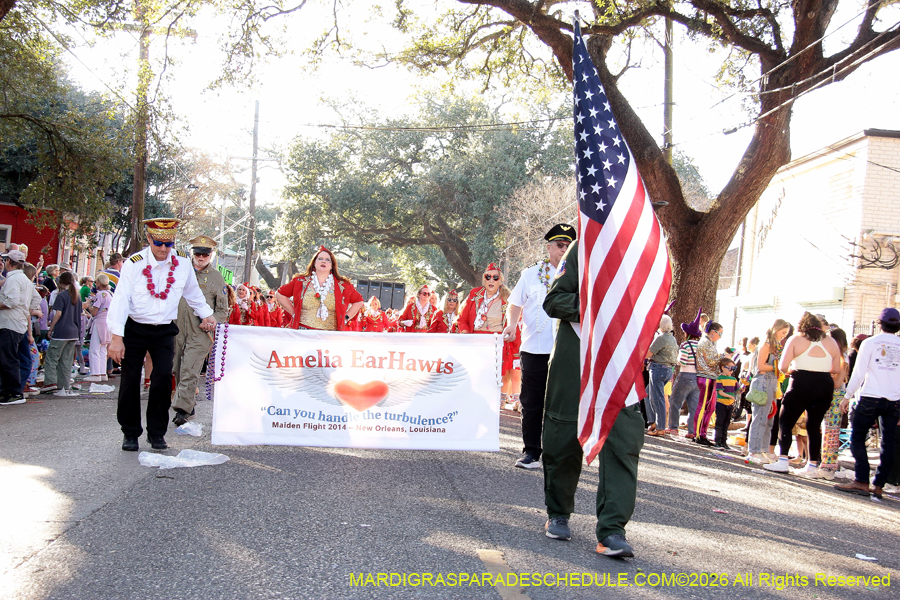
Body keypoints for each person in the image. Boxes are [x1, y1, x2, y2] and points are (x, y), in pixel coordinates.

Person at [540, 240, 643, 558]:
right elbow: (554, 301)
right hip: (576, 359)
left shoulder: (647, 252)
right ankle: (558, 511)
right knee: (564, 437)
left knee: (624, 442)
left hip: (621, 361)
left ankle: (612, 531)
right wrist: (598, 307)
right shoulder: (582, 249)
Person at [107, 218, 217, 452]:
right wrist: (116, 337)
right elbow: (120, 300)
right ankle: (130, 433)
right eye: (158, 243)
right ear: (149, 239)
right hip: (134, 327)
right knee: (129, 382)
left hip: (165, 329)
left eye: (169, 244)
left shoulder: (182, 263)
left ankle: (156, 433)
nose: (164, 249)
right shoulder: (134, 263)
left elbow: (193, 293)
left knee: (162, 380)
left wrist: (207, 315)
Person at [501, 224, 575, 469]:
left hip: (566, 351)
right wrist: (512, 325)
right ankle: (531, 452)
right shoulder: (531, 274)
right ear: (549, 247)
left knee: (561, 405)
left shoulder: (580, 275)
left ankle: (558, 455)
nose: (563, 250)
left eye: (568, 246)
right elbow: (515, 303)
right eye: (559, 245)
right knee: (531, 403)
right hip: (534, 349)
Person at [834, 308, 900, 499]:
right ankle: (879, 484)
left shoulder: (870, 343)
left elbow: (859, 373)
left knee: (857, 437)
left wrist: (847, 396)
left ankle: (862, 480)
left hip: (871, 396)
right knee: (889, 443)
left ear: (879, 324)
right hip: (894, 400)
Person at [764, 313, 840, 474]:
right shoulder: (831, 341)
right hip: (824, 384)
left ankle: (783, 460)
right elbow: (837, 369)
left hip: (801, 381)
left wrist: (794, 368)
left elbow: (783, 366)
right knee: (814, 425)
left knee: (786, 421)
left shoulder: (796, 339)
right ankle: (812, 465)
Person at [172, 235, 229, 426]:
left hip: (201, 332)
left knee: (190, 368)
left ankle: (182, 410)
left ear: (211, 255)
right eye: (197, 253)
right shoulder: (179, 271)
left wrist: (212, 321)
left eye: (205, 254)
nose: (201, 257)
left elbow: (222, 310)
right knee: (178, 368)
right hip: (176, 329)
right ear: (192, 253)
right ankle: (188, 402)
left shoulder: (216, 278)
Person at [274, 246, 364, 331]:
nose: (323, 261)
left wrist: (345, 318)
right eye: (320, 259)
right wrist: (294, 313)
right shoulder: (300, 281)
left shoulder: (343, 285)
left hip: (330, 335)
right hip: (302, 332)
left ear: (332, 265)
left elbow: (359, 301)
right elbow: (279, 294)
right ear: (314, 263)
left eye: (327, 260)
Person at [745, 319, 790, 464]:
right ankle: (753, 450)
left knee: (769, 418)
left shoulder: (776, 346)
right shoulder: (766, 344)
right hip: (763, 382)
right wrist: (778, 367)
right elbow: (760, 366)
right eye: (783, 332)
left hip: (772, 383)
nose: (783, 336)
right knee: (760, 418)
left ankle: (763, 449)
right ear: (776, 329)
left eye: (786, 334)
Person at [41, 271, 83, 397]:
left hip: (61, 331)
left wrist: (50, 328)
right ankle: (64, 386)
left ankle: (50, 382)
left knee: (52, 358)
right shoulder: (77, 296)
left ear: (61, 282)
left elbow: (57, 314)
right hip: (73, 332)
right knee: (66, 360)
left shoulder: (61, 296)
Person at [0, 250, 31, 405]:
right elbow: (35, 299)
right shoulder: (24, 279)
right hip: (18, 323)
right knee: (10, 358)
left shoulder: (13, 279)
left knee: (8, 359)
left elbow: (10, 301)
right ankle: (9, 391)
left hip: (10, 324)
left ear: (9, 262)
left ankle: (12, 392)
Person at [817, 328, 848, 480]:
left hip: (835, 396)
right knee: (826, 430)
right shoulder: (834, 356)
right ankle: (825, 463)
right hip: (828, 394)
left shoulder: (843, 359)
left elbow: (837, 383)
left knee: (831, 432)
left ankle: (829, 465)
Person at [668, 309, 703, 438]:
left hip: (685, 375)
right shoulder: (701, 346)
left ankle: (673, 427)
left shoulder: (685, 345)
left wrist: (677, 358)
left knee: (675, 401)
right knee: (693, 405)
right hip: (698, 378)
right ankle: (692, 431)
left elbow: (682, 361)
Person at [644, 314, 678, 436]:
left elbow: (648, 353)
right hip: (668, 369)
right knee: (648, 394)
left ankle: (660, 427)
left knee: (658, 398)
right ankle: (654, 422)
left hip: (658, 368)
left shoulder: (661, 338)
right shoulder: (672, 338)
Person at [693, 320, 724, 447]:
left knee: (709, 407)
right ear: (713, 332)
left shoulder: (709, 343)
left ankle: (703, 433)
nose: (720, 336)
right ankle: (698, 434)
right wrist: (723, 355)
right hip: (705, 377)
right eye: (720, 333)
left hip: (710, 377)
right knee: (703, 406)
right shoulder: (705, 342)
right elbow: (711, 361)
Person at [84, 273, 114, 382]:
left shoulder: (100, 295)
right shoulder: (109, 294)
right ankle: (102, 372)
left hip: (99, 322)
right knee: (103, 349)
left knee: (94, 348)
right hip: (107, 323)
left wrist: (88, 305)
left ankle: (95, 373)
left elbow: (94, 312)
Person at [714, 357, 738, 449]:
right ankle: (718, 441)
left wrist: (742, 388)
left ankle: (724, 441)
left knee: (726, 423)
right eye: (730, 368)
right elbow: (720, 392)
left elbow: (738, 390)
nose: (732, 370)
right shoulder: (720, 378)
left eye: (734, 368)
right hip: (721, 403)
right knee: (719, 423)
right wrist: (730, 396)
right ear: (723, 367)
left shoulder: (734, 380)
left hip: (730, 405)